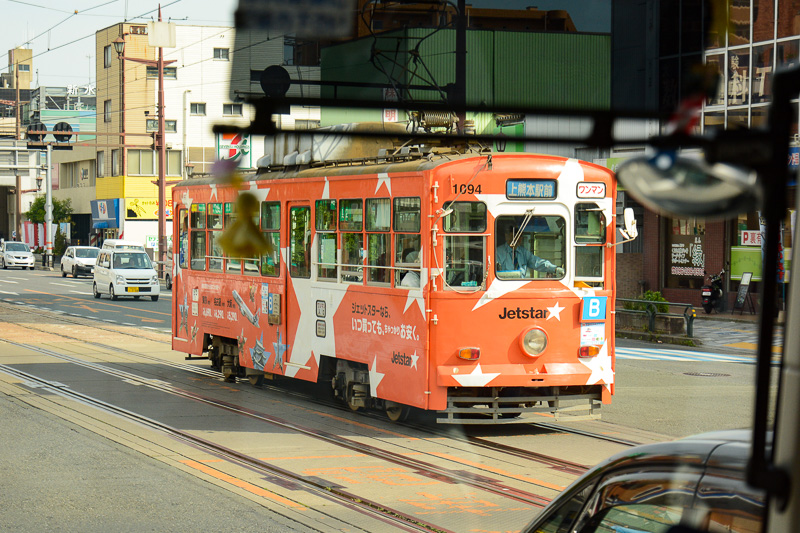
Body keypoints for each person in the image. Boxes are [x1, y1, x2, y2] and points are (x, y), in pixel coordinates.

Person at [496, 225, 565, 277]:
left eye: (520, 236)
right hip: (504, 287)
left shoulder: (523, 252)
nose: (517, 239)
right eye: (514, 236)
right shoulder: (498, 252)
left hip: (521, 287)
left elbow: (537, 262)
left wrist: (554, 269)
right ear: (507, 236)